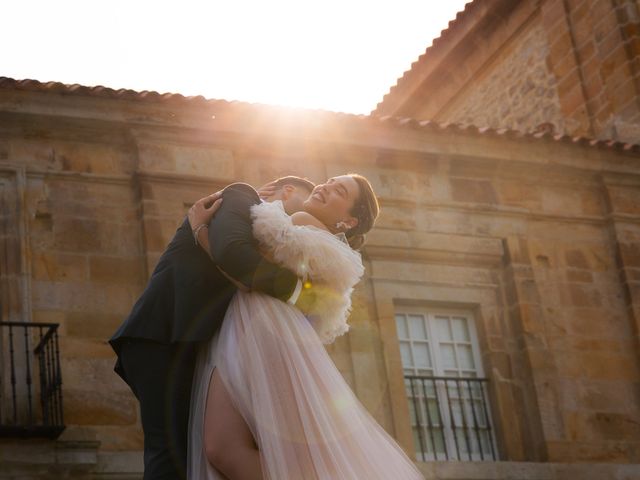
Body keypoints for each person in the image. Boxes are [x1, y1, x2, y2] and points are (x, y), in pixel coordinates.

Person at [187, 174, 423, 479]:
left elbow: (242, 273)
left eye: (339, 190)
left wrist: (199, 228)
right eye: (329, 180)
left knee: (224, 449)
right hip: (260, 330)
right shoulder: (322, 244)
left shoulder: (302, 222)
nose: (325, 186)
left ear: (349, 222)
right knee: (226, 449)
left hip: (262, 330)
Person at [108, 176, 315, 480]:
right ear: (288, 190)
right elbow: (233, 256)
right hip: (163, 333)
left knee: (191, 453)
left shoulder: (264, 227)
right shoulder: (240, 195)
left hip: (190, 341)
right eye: (308, 200)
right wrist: (301, 292)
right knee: (171, 452)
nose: (307, 214)